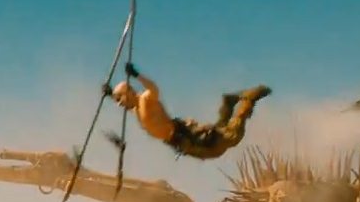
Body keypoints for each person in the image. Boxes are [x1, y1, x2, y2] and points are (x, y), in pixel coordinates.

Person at [108, 63, 272, 160]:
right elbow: (134, 109)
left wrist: (136, 75)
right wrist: (110, 94)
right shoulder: (136, 109)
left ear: (129, 92)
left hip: (184, 134)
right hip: (180, 142)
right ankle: (227, 104)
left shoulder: (145, 99)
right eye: (117, 101)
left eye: (120, 99)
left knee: (231, 138)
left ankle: (249, 99)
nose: (119, 104)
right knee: (217, 143)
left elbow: (153, 88)